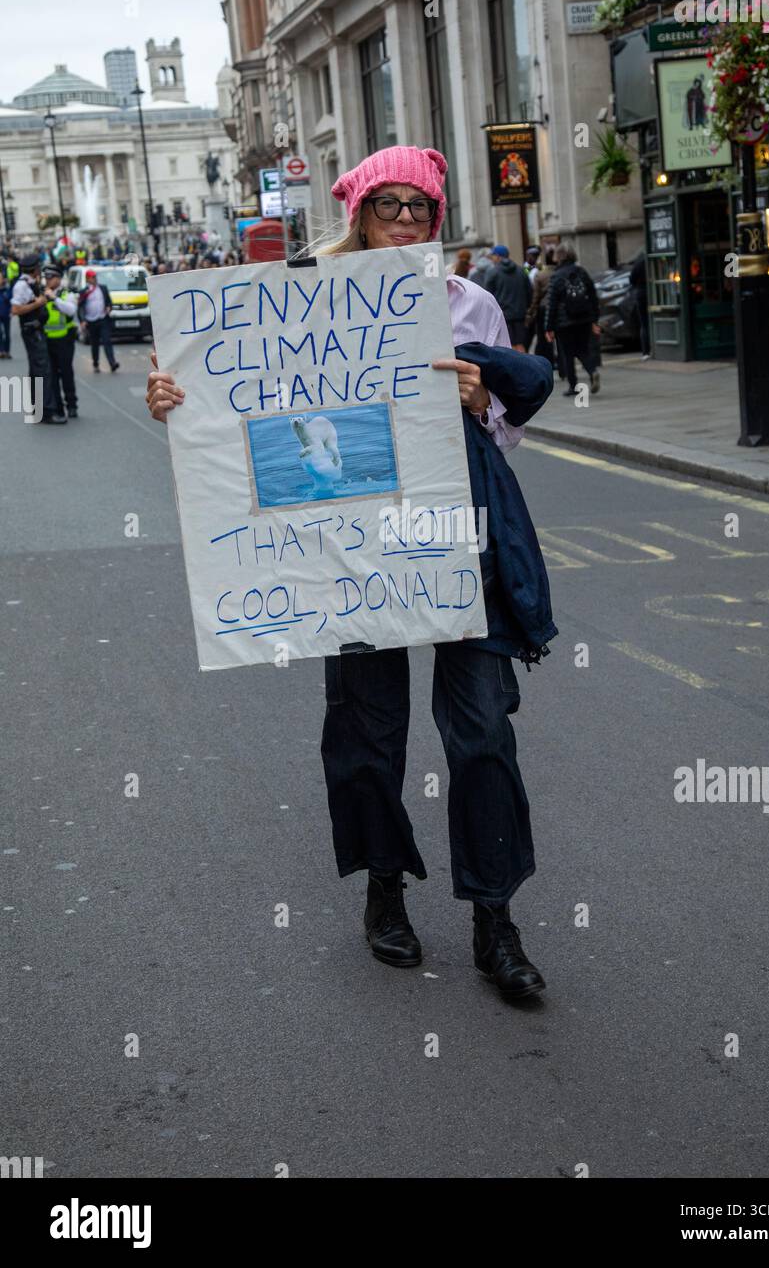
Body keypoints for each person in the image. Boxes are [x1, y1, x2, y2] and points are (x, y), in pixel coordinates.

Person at [146, 144, 557, 1001]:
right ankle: (384, 888)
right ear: (359, 211)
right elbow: (236, 411)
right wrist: (173, 404)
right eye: (390, 205)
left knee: (482, 733)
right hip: (353, 554)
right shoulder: (297, 297)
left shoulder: (470, 302)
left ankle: (495, 919)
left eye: (422, 209)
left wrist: (484, 407)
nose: (407, 221)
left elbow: (507, 435)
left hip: (456, 540)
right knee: (367, 732)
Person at [10, 253, 66, 423]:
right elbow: (16, 309)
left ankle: (38, 408)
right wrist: (38, 303)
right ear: (34, 269)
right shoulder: (21, 286)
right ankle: (47, 412)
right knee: (43, 371)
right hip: (32, 333)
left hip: (36, 331)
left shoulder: (29, 283)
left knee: (37, 370)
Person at [544, 243, 602, 396]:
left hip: (564, 323)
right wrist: (595, 318)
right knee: (583, 349)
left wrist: (548, 327)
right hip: (584, 318)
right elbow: (593, 295)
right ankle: (592, 371)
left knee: (567, 353)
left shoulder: (556, 276)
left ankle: (573, 386)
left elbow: (552, 304)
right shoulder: (581, 271)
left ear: (558, 257)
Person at [43, 265, 79, 418]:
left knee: (66, 373)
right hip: (47, 341)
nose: (48, 281)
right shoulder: (42, 294)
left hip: (64, 341)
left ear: (58, 279)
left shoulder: (67, 294)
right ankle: (58, 406)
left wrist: (54, 299)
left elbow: (71, 310)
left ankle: (72, 405)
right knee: (52, 375)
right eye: (46, 278)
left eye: (50, 278)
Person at [483, 244, 532, 352]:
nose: (492, 259)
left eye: (493, 256)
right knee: (520, 344)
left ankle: (515, 368)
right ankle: (523, 367)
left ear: (499, 256)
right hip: (520, 314)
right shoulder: (521, 271)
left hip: (502, 315)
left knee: (508, 345)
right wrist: (526, 307)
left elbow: (487, 295)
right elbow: (529, 292)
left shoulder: (493, 272)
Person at [78, 268, 118, 373]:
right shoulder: (84, 291)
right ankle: (95, 363)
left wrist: (109, 307)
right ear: (87, 279)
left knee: (107, 341)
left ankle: (112, 363)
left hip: (103, 319)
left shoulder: (103, 288)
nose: (94, 279)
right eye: (92, 277)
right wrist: (82, 320)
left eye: (95, 277)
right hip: (91, 321)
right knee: (94, 344)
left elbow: (109, 302)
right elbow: (80, 307)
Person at [525, 246, 556, 369]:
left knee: (543, 337)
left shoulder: (541, 271)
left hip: (542, 307)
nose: (529, 258)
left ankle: (545, 361)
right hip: (546, 305)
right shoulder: (527, 268)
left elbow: (536, 294)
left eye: (531, 256)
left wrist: (532, 309)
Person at [630, 250, 651, 359]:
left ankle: (646, 352)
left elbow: (632, 279)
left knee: (644, 323)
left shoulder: (639, 261)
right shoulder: (651, 260)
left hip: (640, 292)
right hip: (653, 292)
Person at [0, 270, 12, 358]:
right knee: (0, 333)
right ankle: (1, 351)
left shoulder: (7, 289)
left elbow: (9, 298)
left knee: (7, 333)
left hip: (6, 314)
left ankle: (7, 351)